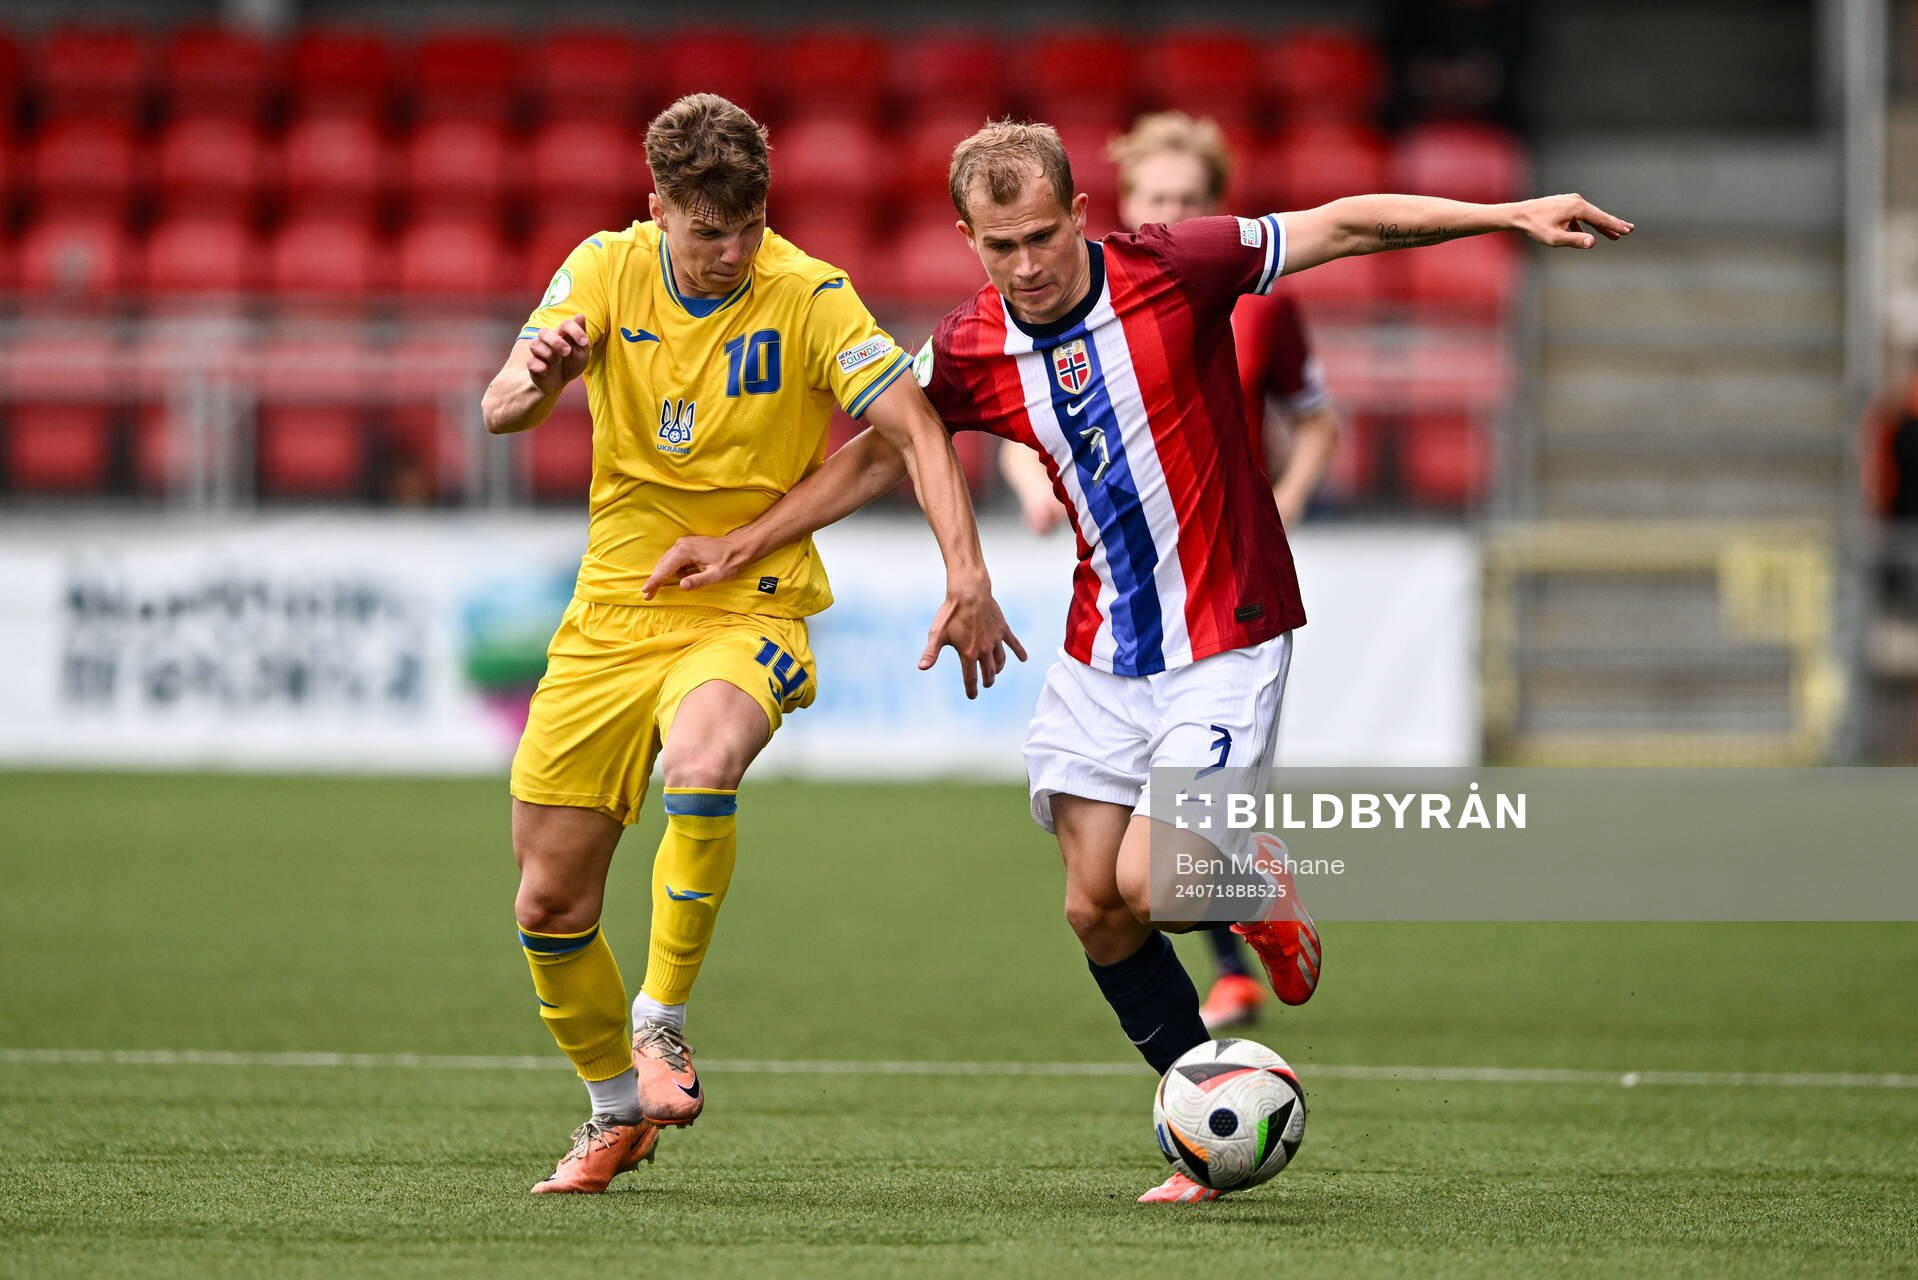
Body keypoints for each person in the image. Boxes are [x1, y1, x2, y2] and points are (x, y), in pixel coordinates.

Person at [645, 120, 1631, 1203]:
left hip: (1227, 630)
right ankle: (1204, 1118)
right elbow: (883, 451)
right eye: (998, 246)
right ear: (966, 238)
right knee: (1091, 906)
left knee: (1153, 881)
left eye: (1040, 238)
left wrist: (1509, 215)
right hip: (1101, 647)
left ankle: (1252, 882)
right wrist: (743, 544)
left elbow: (1344, 224)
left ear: (1078, 216)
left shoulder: (1176, 268)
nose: (1025, 265)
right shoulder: (972, 345)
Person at [481, 94, 1022, 1195]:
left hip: (749, 605)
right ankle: (611, 1105)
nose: (727, 253)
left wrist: (966, 570)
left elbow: (912, 423)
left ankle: (661, 1020)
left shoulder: (809, 293)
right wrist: (534, 379)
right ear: (657, 211)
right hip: (611, 615)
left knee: (705, 757)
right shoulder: (601, 269)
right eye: (702, 232)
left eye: (744, 228)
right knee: (548, 903)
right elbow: (500, 407)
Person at [995, 111, 1343, 1031]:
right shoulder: (1081, 308)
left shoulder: (1251, 298)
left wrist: (1294, 491)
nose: (1172, 209)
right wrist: (1029, 482)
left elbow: (1316, 420)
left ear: (1214, 208)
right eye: (1156, 197)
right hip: (1121, 598)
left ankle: (1232, 911)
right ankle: (1222, 976)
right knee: (1104, 886)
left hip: (1226, 582)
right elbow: (1017, 414)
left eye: (1190, 199)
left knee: (1166, 860)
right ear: (1117, 204)